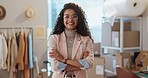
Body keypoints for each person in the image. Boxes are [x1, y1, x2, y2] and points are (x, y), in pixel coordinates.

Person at [48, 2, 94, 78]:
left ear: (79, 18)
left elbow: (89, 63)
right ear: (62, 19)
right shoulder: (54, 38)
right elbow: (55, 66)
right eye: (67, 16)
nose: (70, 20)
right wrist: (81, 66)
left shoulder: (86, 39)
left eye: (74, 16)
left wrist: (63, 60)